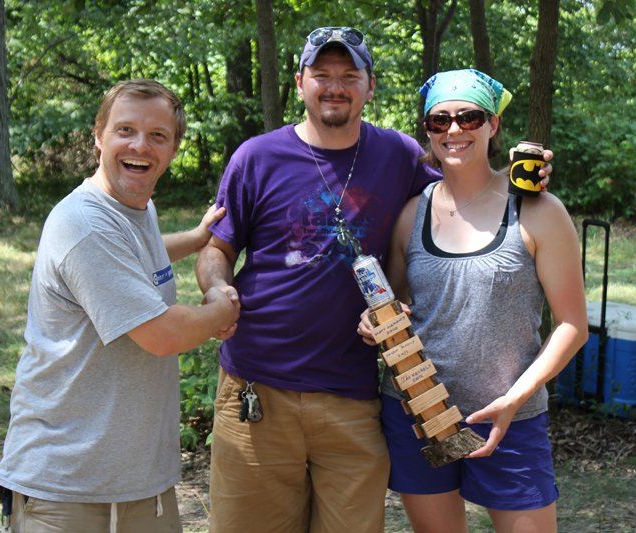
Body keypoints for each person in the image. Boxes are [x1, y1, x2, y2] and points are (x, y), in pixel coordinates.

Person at [196, 28, 553, 532]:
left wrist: (527, 182)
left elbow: (464, 192)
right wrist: (217, 288)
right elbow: (217, 248)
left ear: (370, 85)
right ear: (299, 82)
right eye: (322, 74)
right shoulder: (256, 157)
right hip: (257, 390)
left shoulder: (399, 155)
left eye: (349, 75)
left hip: (353, 396)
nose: (335, 86)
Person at [0, 79, 240, 533]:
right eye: (125, 130)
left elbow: (132, 255)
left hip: (140, 487)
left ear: (173, 149)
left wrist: (196, 238)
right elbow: (162, 334)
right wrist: (222, 309)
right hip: (68, 490)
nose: (140, 145)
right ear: (98, 136)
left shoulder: (135, 209)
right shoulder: (84, 223)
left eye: (157, 135)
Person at [358, 69, 588, 533]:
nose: (454, 129)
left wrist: (513, 400)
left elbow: (572, 325)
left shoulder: (537, 210)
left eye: (469, 117)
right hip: (419, 413)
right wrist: (374, 321)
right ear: (427, 130)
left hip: (511, 418)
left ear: (493, 125)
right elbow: (397, 306)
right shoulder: (412, 214)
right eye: (439, 120)